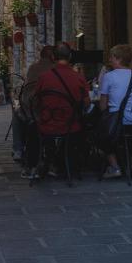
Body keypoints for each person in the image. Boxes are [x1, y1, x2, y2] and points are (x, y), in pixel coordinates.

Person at [28, 43, 90, 178]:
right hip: (71, 126)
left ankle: (38, 163)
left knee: (31, 127)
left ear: (53, 57)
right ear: (70, 56)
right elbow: (86, 103)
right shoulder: (78, 77)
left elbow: (35, 100)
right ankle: (71, 163)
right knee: (86, 127)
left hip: (47, 125)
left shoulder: (44, 77)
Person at [99, 43, 132, 179]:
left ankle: (115, 167)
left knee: (101, 133)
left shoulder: (109, 76)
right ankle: (128, 163)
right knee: (120, 135)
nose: (110, 60)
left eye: (112, 57)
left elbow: (103, 105)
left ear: (118, 59)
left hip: (121, 123)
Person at [11, 45, 55, 162]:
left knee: (16, 114)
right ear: (52, 56)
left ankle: (18, 149)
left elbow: (27, 94)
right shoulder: (55, 70)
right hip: (57, 115)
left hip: (35, 114)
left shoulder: (33, 69)